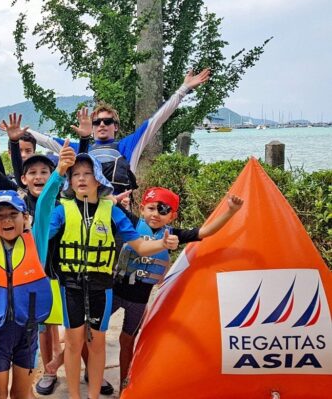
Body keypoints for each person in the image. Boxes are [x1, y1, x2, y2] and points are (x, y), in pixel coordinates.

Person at [33, 151, 178, 399]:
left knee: (97, 344)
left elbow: (140, 246)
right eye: (75, 174)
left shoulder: (112, 211)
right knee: (74, 342)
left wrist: (163, 244)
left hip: (102, 286)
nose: (81, 178)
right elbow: (41, 224)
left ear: (98, 180)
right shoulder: (61, 210)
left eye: (87, 173)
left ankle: (92, 395)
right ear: (69, 181)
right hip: (71, 285)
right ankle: (75, 396)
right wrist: (57, 173)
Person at [107, 187, 244, 392]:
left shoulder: (173, 235)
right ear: (142, 208)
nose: (155, 214)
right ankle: (86, 371)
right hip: (116, 292)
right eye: (151, 208)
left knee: (127, 341)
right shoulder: (133, 224)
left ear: (173, 215)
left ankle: (123, 387)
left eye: (163, 210)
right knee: (90, 332)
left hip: (139, 300)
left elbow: (204, 232)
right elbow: (105, 200)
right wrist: (113, 198)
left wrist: (231, 211)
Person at [13, 69, 212, 196]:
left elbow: (157, 119)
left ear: (115, 126)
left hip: (119, 210)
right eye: (97, 122)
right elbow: (47, 141)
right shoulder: (78, 148)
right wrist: (21, 133)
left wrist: (183, 89)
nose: (101, 125)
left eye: (107, 121)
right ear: (90, 128)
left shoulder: (128, 146)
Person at [0, 191, 54, 399]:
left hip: (27, 333)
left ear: (25, 217)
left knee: (20, 394)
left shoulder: (37, 244)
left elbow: (44, 204)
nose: (7, 220)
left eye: (13, 214)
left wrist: (60, 172)